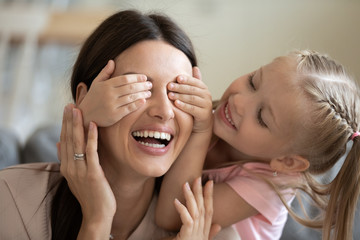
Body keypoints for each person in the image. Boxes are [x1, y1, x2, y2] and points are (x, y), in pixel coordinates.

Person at [0, 10, 242, 240]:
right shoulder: (11, 201)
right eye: (140, 88)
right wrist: (97, 220)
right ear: (84, 98)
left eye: (179, 93)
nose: (164, 111)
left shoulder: (213, 233)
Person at [83, 49, 360, 240]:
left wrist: (201, 131)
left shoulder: (271, 187)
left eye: (262, 117)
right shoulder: (227, 124)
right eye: (253, 82)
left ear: (287, 162)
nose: (239, 101)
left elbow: (170, 215)